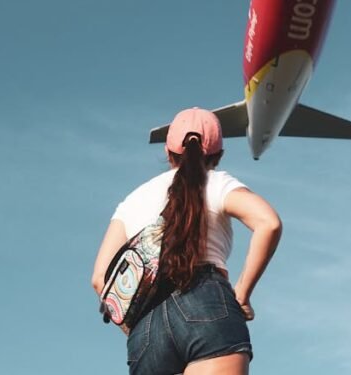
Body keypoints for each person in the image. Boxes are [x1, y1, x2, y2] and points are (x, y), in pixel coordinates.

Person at [92, 107, 283, 375]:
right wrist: (243, 293)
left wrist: (136, 330)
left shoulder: (132, 201)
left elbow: (100, 279)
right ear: (218, 156)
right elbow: (269, 222)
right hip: (207, 303)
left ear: (168, 153)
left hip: (145, 324)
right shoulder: (216, 183)